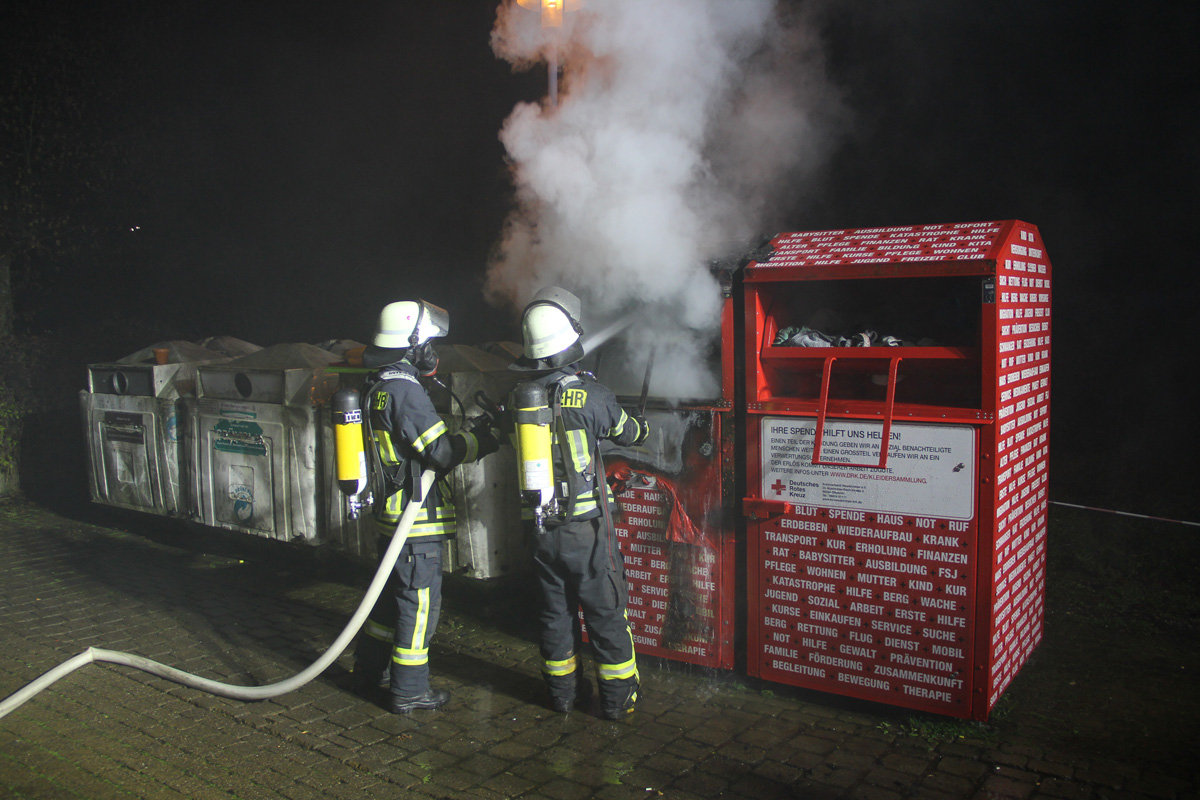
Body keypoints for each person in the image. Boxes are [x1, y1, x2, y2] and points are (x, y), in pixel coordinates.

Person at [508, 287, 650, 719]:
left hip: (540, 530)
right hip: (585, 531)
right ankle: (617, 701)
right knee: (605, 610)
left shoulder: (518, 397)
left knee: (555, 613)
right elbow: (629, 433)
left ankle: (562, 696)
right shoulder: (591, 395)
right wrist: (641, 425)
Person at [351, 299, 499, 713]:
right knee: (418, 608)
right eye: (427, 344)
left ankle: (369, 671)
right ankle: (410, 690)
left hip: (392, 518)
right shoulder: (404, 390)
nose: (431, 353)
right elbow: (440, 452)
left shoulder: (377, 386)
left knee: (388, 603)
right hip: (415, 522)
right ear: (411, 343)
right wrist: (481, 440)